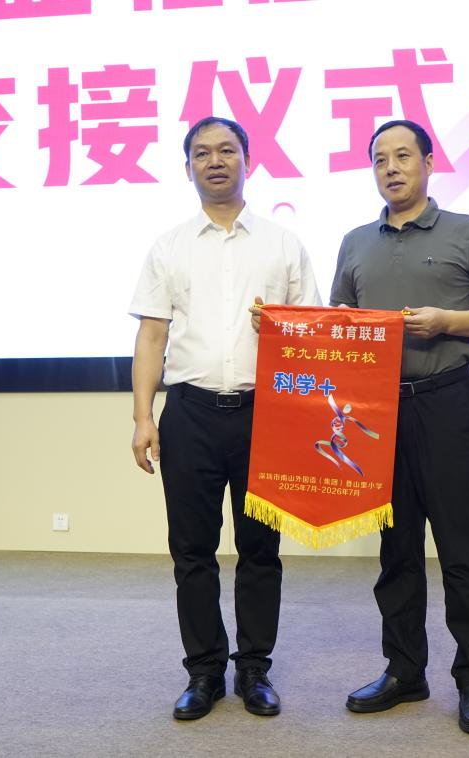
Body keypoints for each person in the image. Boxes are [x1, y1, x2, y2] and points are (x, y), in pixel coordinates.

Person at [129, 116, 321, 721]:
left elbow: (313, 335)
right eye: (203, 153)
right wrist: (143, 417)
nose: (215, 161)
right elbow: (151, 336)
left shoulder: (283, 244)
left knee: (261, 548)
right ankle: (204, 672)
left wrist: (282, 329)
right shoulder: (169, 247)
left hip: (267, 414)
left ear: (248, 160)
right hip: (189, 413)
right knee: (192, 550)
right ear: (187, 167)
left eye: (227, 150)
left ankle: (255, 669)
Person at [330, 119, 469, 735]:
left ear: (429, 163)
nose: (391, 168)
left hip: (447, 403)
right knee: (397, 549)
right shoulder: (356, 242)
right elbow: (340, 321)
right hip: (378, 412)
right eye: (379, 159)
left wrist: (446, 321)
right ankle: (405, 671)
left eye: (403, 156)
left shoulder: (468, 231)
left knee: (460, 548)